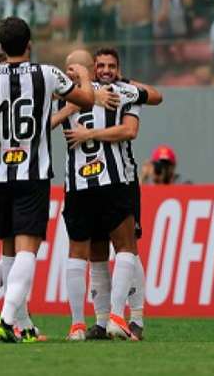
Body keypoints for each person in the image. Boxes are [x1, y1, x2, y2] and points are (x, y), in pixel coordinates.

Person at [0, 16, 95, 342]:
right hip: (32, 173)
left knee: (7, 252)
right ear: (29, 44)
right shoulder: (48, 74)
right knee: (28, 250)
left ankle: (14, 322)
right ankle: (6, 320)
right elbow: (85, 99)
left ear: (1, 46)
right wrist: (85, 76)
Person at [51, 49, 150, 341]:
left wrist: (78, 122)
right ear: (92, 69)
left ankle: (79, 324)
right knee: (124, 248)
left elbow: (43, 127)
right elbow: (147, 105)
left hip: (79, 185)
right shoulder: (118, 92)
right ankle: (114, 317)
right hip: (111, 181)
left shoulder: (62, 97)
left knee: (83, 254)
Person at [82, 47, 163, 341]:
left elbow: (133, 127)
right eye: (100, 65)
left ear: (119, 68)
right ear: (92, 68)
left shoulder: (127, 92)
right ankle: (102, 321)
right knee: (98, 251)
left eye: (111, 66)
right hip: (88, 183)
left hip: (122, 180)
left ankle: (136, 317)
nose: (106, 70)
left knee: (127, 247)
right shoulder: (83, 94)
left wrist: (89, 135)